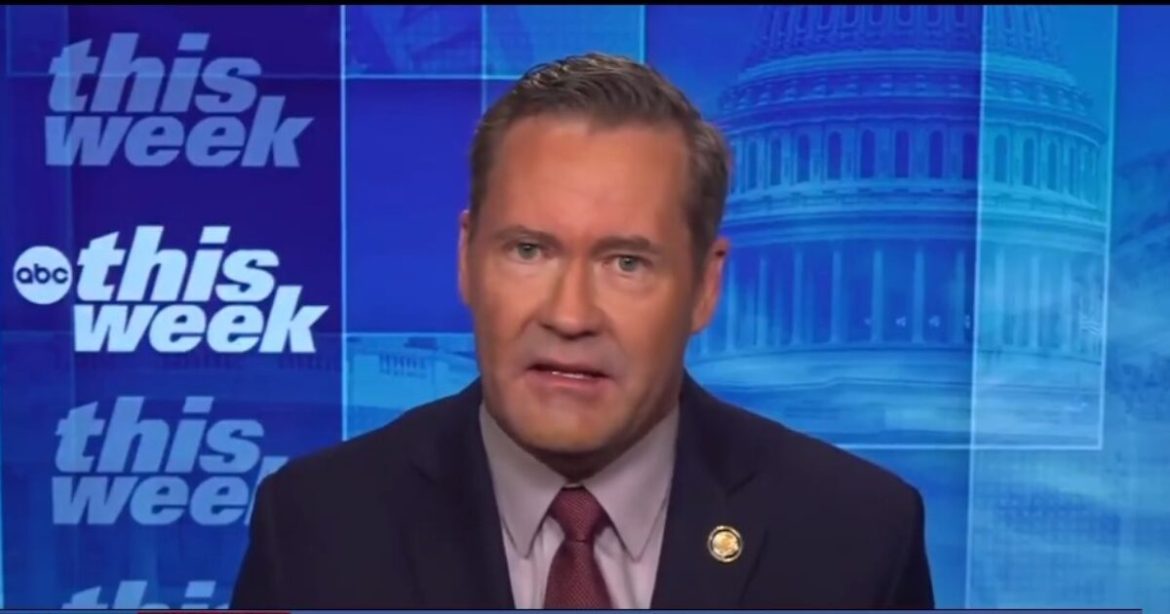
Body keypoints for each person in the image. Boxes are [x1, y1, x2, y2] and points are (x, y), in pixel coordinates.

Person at [230, 52, 935, 610]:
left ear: (705, 287)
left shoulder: (856, 535)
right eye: (528, 250)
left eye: (627, 262)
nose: (570, 315)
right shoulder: (317, 525)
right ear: (467, 260)